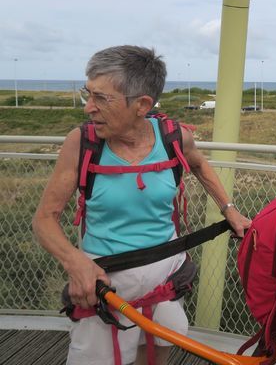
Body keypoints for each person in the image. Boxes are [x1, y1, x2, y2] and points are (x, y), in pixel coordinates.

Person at [32, 45, 251, 365]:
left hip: (164, 271)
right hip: (105, 278)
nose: (88, 108)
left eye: (101, 98)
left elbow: (200, 165)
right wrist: (75, 262)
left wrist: (229, 209)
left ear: (142, 104)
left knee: (159, 345)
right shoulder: (82, 143)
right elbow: (44, 219)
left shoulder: (174, 138)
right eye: (87, 93)